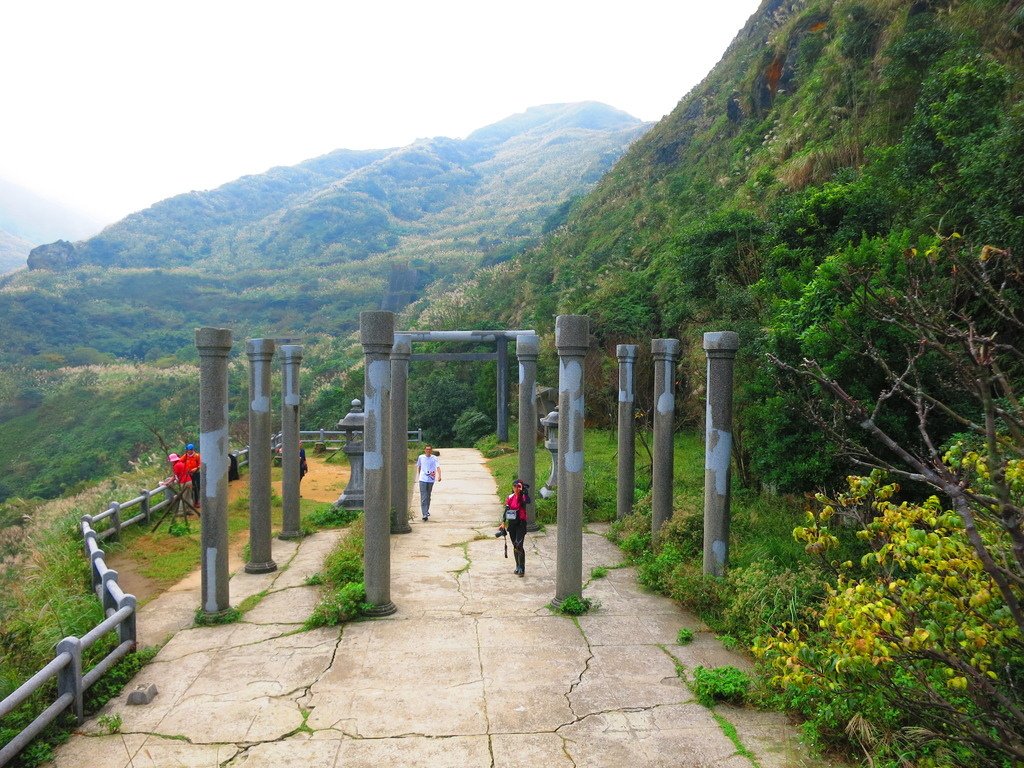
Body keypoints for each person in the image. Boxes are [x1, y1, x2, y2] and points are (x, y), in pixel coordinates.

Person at [500, 479, 530, 576]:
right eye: (514, 486)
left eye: (518, 486)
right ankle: (517, 565)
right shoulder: (510, 497)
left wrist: (524, 491)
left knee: (519, 545)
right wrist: (503, 522)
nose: (516, 488)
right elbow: (506, 510)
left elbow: (528, 501)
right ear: (512, 487)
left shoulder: (523, 497)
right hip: (512, 524)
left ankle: (522, 567)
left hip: (521, 524)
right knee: (514, 545)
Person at [415, 445, 441, 521]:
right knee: (424, 497)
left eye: (429, 449)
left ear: (431, 450)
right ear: (424, 450)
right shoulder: (421, 457)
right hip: (422, 479)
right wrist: (420, 475)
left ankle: (426, 510)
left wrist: (439, 475)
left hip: (430, 479)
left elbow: (438, 467)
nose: (428, 451)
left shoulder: (434, 458)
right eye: (427, 449)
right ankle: (424, 514)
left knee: (428, 496)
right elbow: (419, 466)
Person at [182, 443, 201, 509]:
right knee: (191, 488)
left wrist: (196, 468)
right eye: (187, 450)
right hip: (189, 475)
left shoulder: (197, 456)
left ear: (192, 450)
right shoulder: (186, 456)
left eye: (188, 450)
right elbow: (181, 461)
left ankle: (196, 502)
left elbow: (201, 464)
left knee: (197, 487)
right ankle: (192, 502)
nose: (187, 451)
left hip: (196, 474)